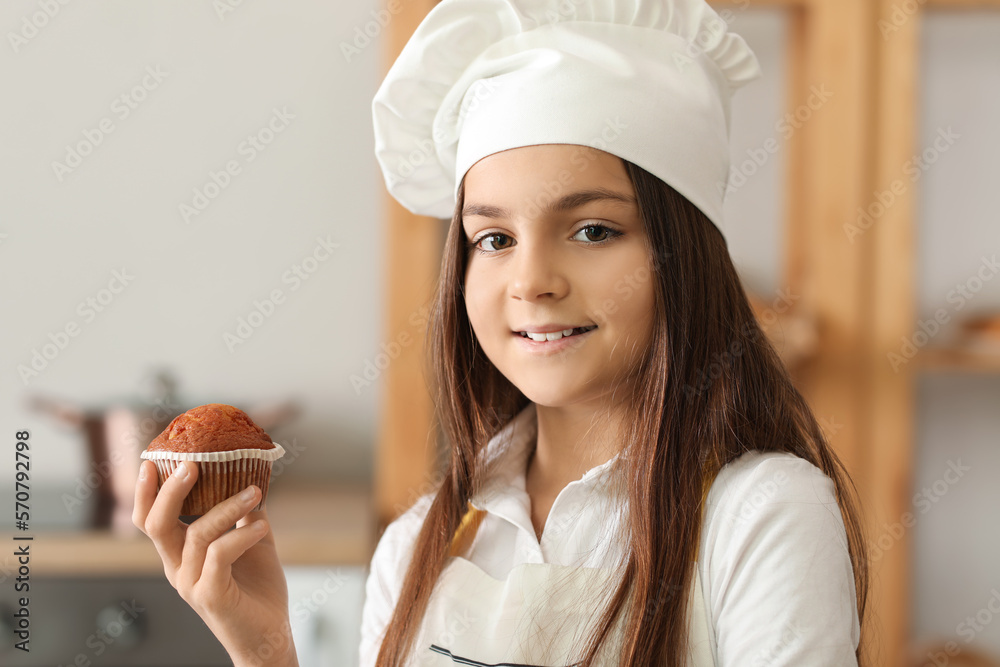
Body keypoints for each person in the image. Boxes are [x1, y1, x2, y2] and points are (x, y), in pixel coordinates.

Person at [134, 0, 871, 665]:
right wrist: (265, 650)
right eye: (493, 239)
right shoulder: (420, 540)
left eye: (592, 229)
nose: (531, 280)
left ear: (682, 256)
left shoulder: (764, 515)